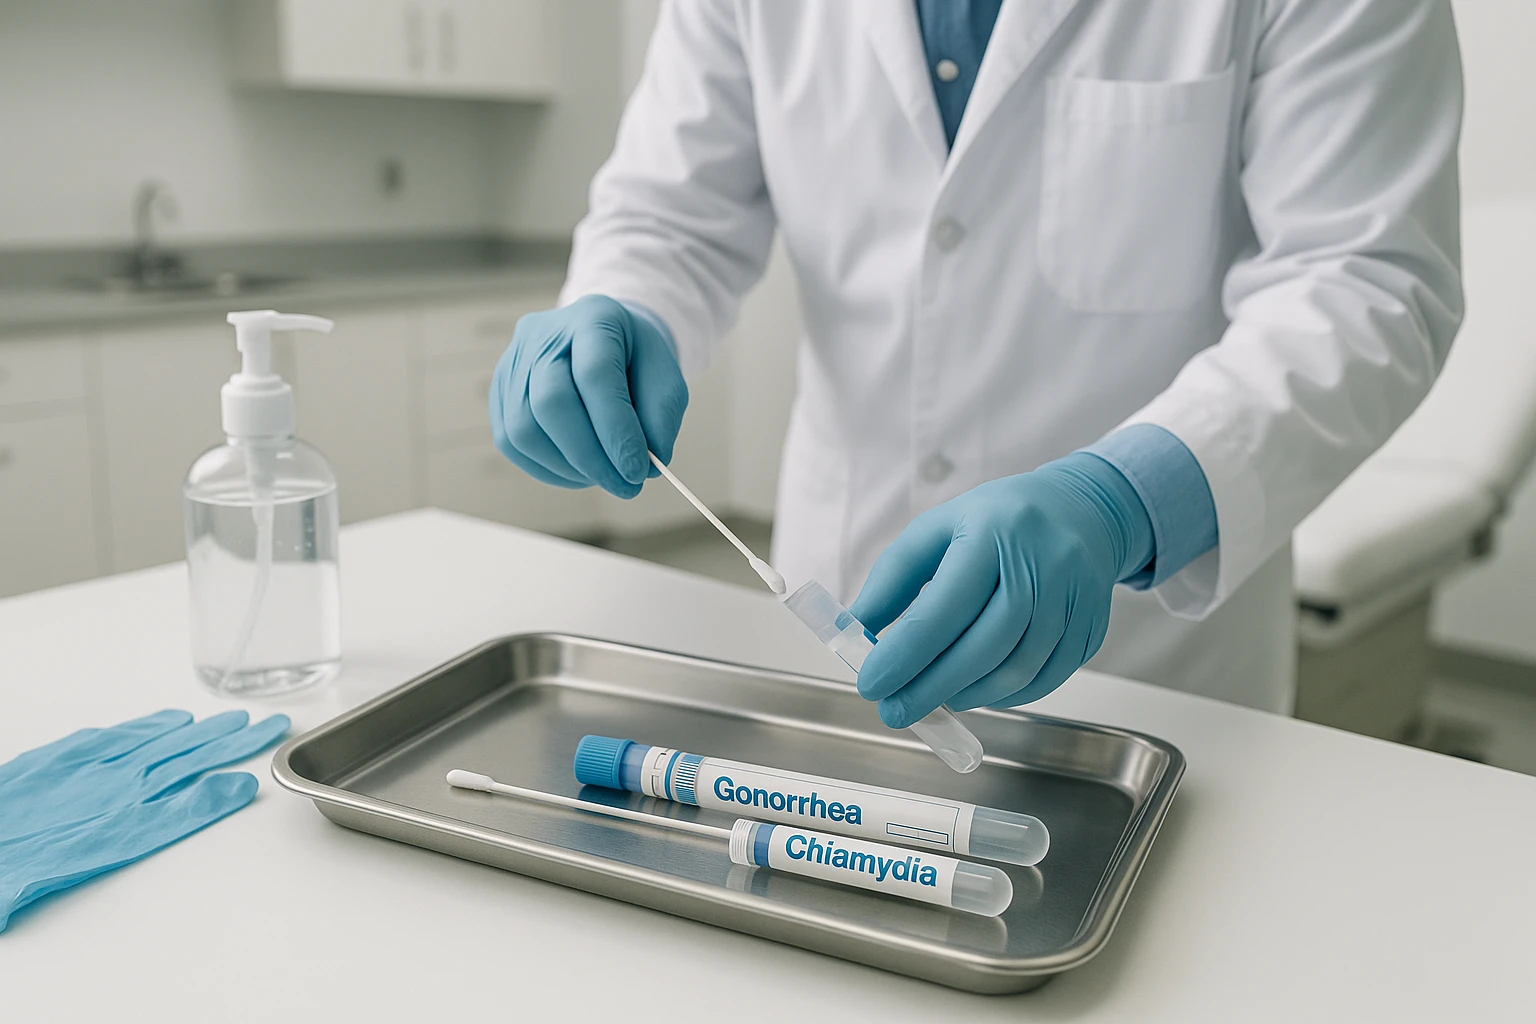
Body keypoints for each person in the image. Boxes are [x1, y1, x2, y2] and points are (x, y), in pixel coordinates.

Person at [489, 1, 1463, 724]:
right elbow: (670, 213)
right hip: (840, 610)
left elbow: (1364, 278)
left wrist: (1123, 501)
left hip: (1153, 672)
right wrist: (616, 304)